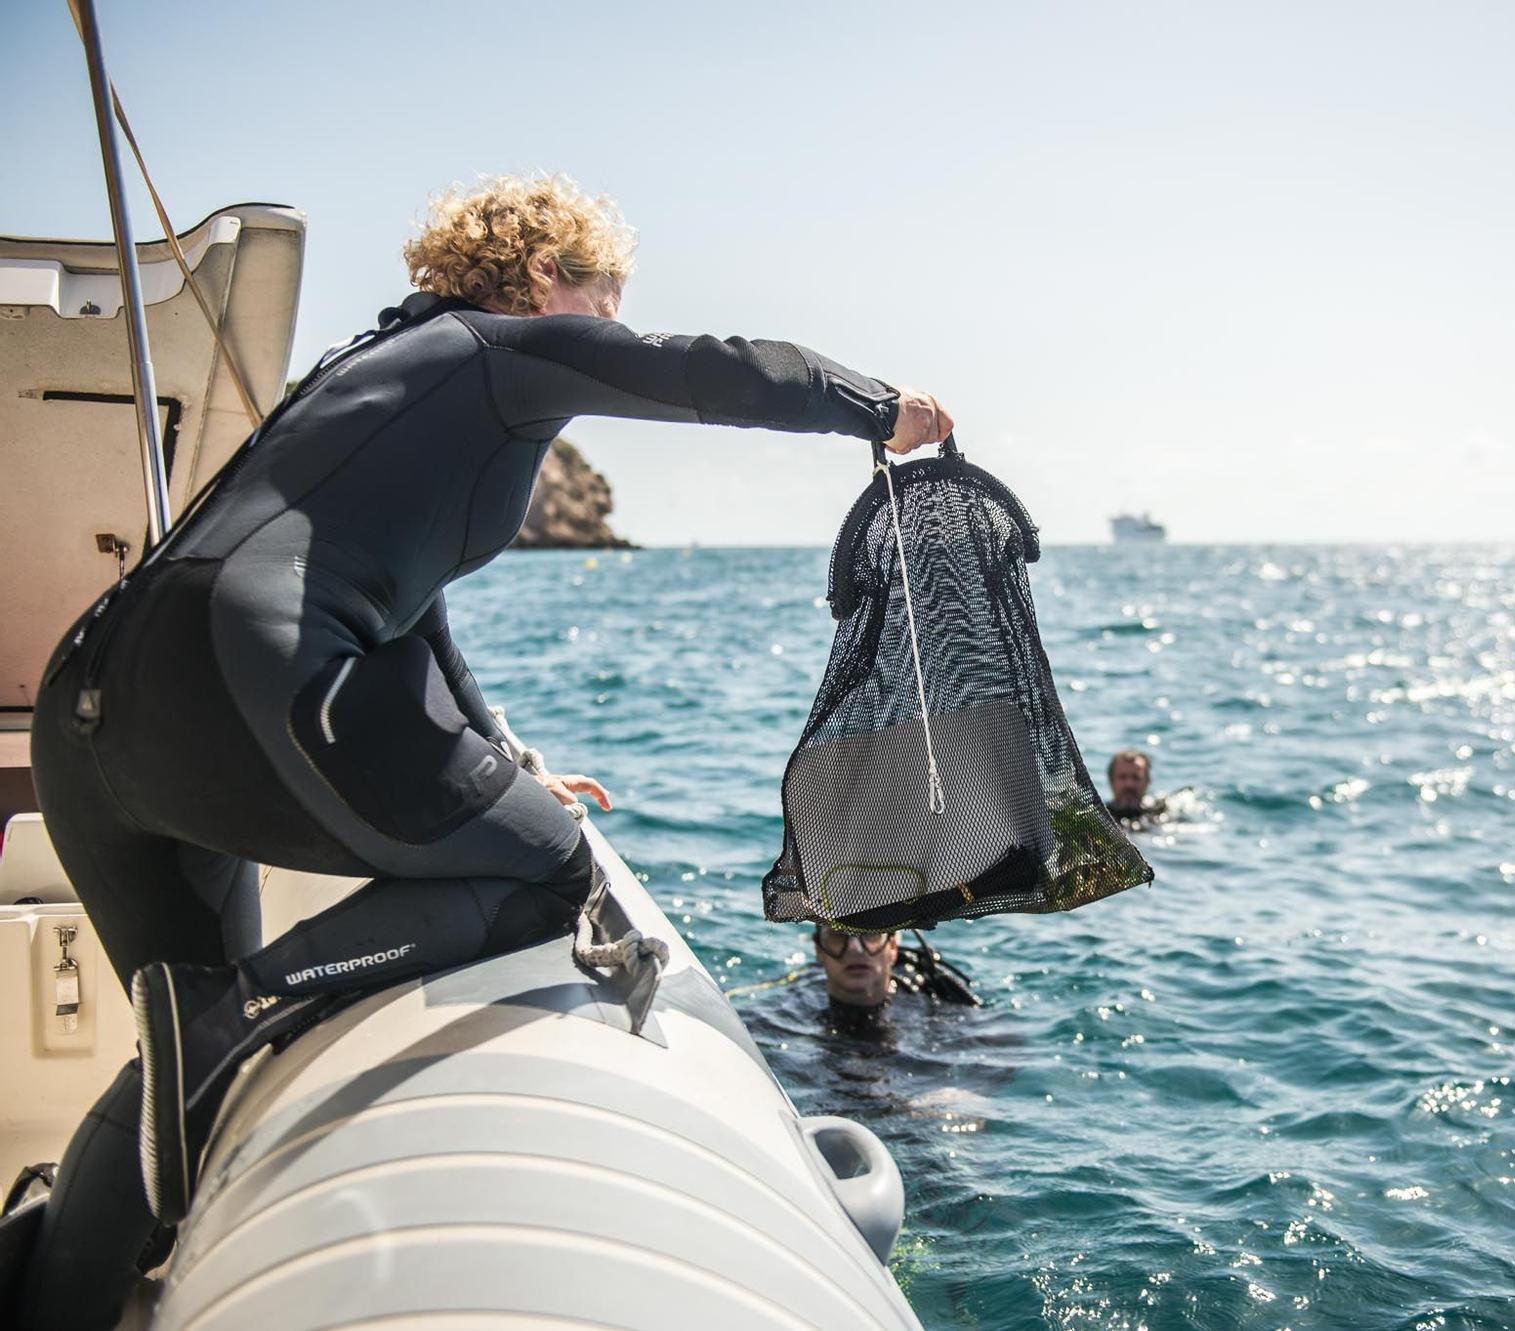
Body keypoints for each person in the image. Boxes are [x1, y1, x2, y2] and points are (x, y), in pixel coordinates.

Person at [21, 174, 953, 1329]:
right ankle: (243, 1003)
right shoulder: (503, 351)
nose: (607, 327)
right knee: (552, 870)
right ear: (547, 279)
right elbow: (706, 367)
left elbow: (404, 605)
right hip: (243, 688)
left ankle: (51, 1272)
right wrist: (877, 408)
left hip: (91, 706)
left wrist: (496, 750)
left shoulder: (377, 369)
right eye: (603, 299)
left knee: (185, 1080)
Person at [814, 925, 979, 1017]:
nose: (856, 949)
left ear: (893, 948)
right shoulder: (793, 1007)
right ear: (819, 951)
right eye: (837, 936)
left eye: (871, 934)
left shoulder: (937, 1007)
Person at [1105, 749, 1158, 824]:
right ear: (1111, 780)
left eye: (1136, 777)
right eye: (1122, 777)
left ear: (1148, 781)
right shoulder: (1100, 815)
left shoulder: (1160, 812)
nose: (1129, 784)